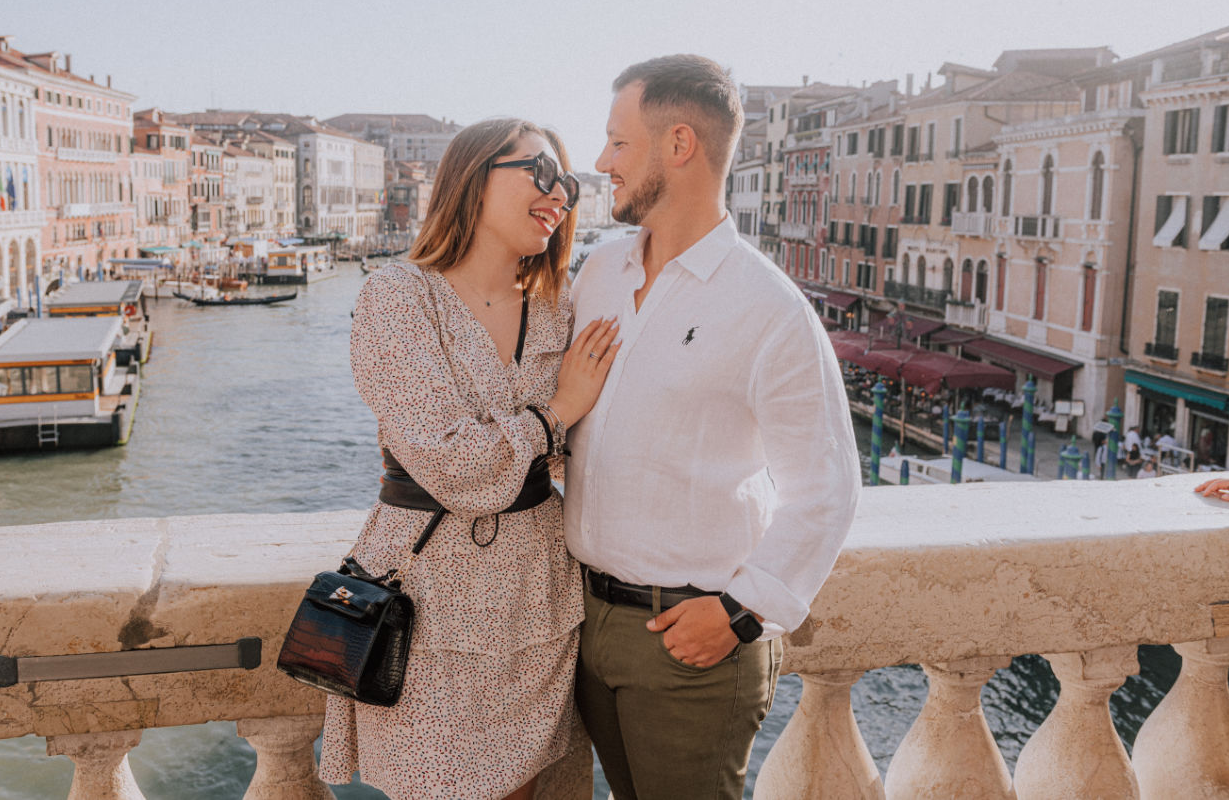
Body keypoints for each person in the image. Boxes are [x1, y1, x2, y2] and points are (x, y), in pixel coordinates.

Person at [566, 55, 862, 800]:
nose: (602, 163)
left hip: (688, 645)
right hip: (586, 624)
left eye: (618, 142)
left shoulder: (770, 309)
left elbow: (826, 487)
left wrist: (740, 610)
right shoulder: (598, 272)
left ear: (680, 144)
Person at [320, 118, 620, 800]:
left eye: (568, 184)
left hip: (538, 602)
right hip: (427, 601)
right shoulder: (399, 296)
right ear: (471, 178)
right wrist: (555, 413)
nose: (560, 196)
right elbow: (456, 465)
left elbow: (597, 451)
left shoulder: (559, 311)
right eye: (540, 173)